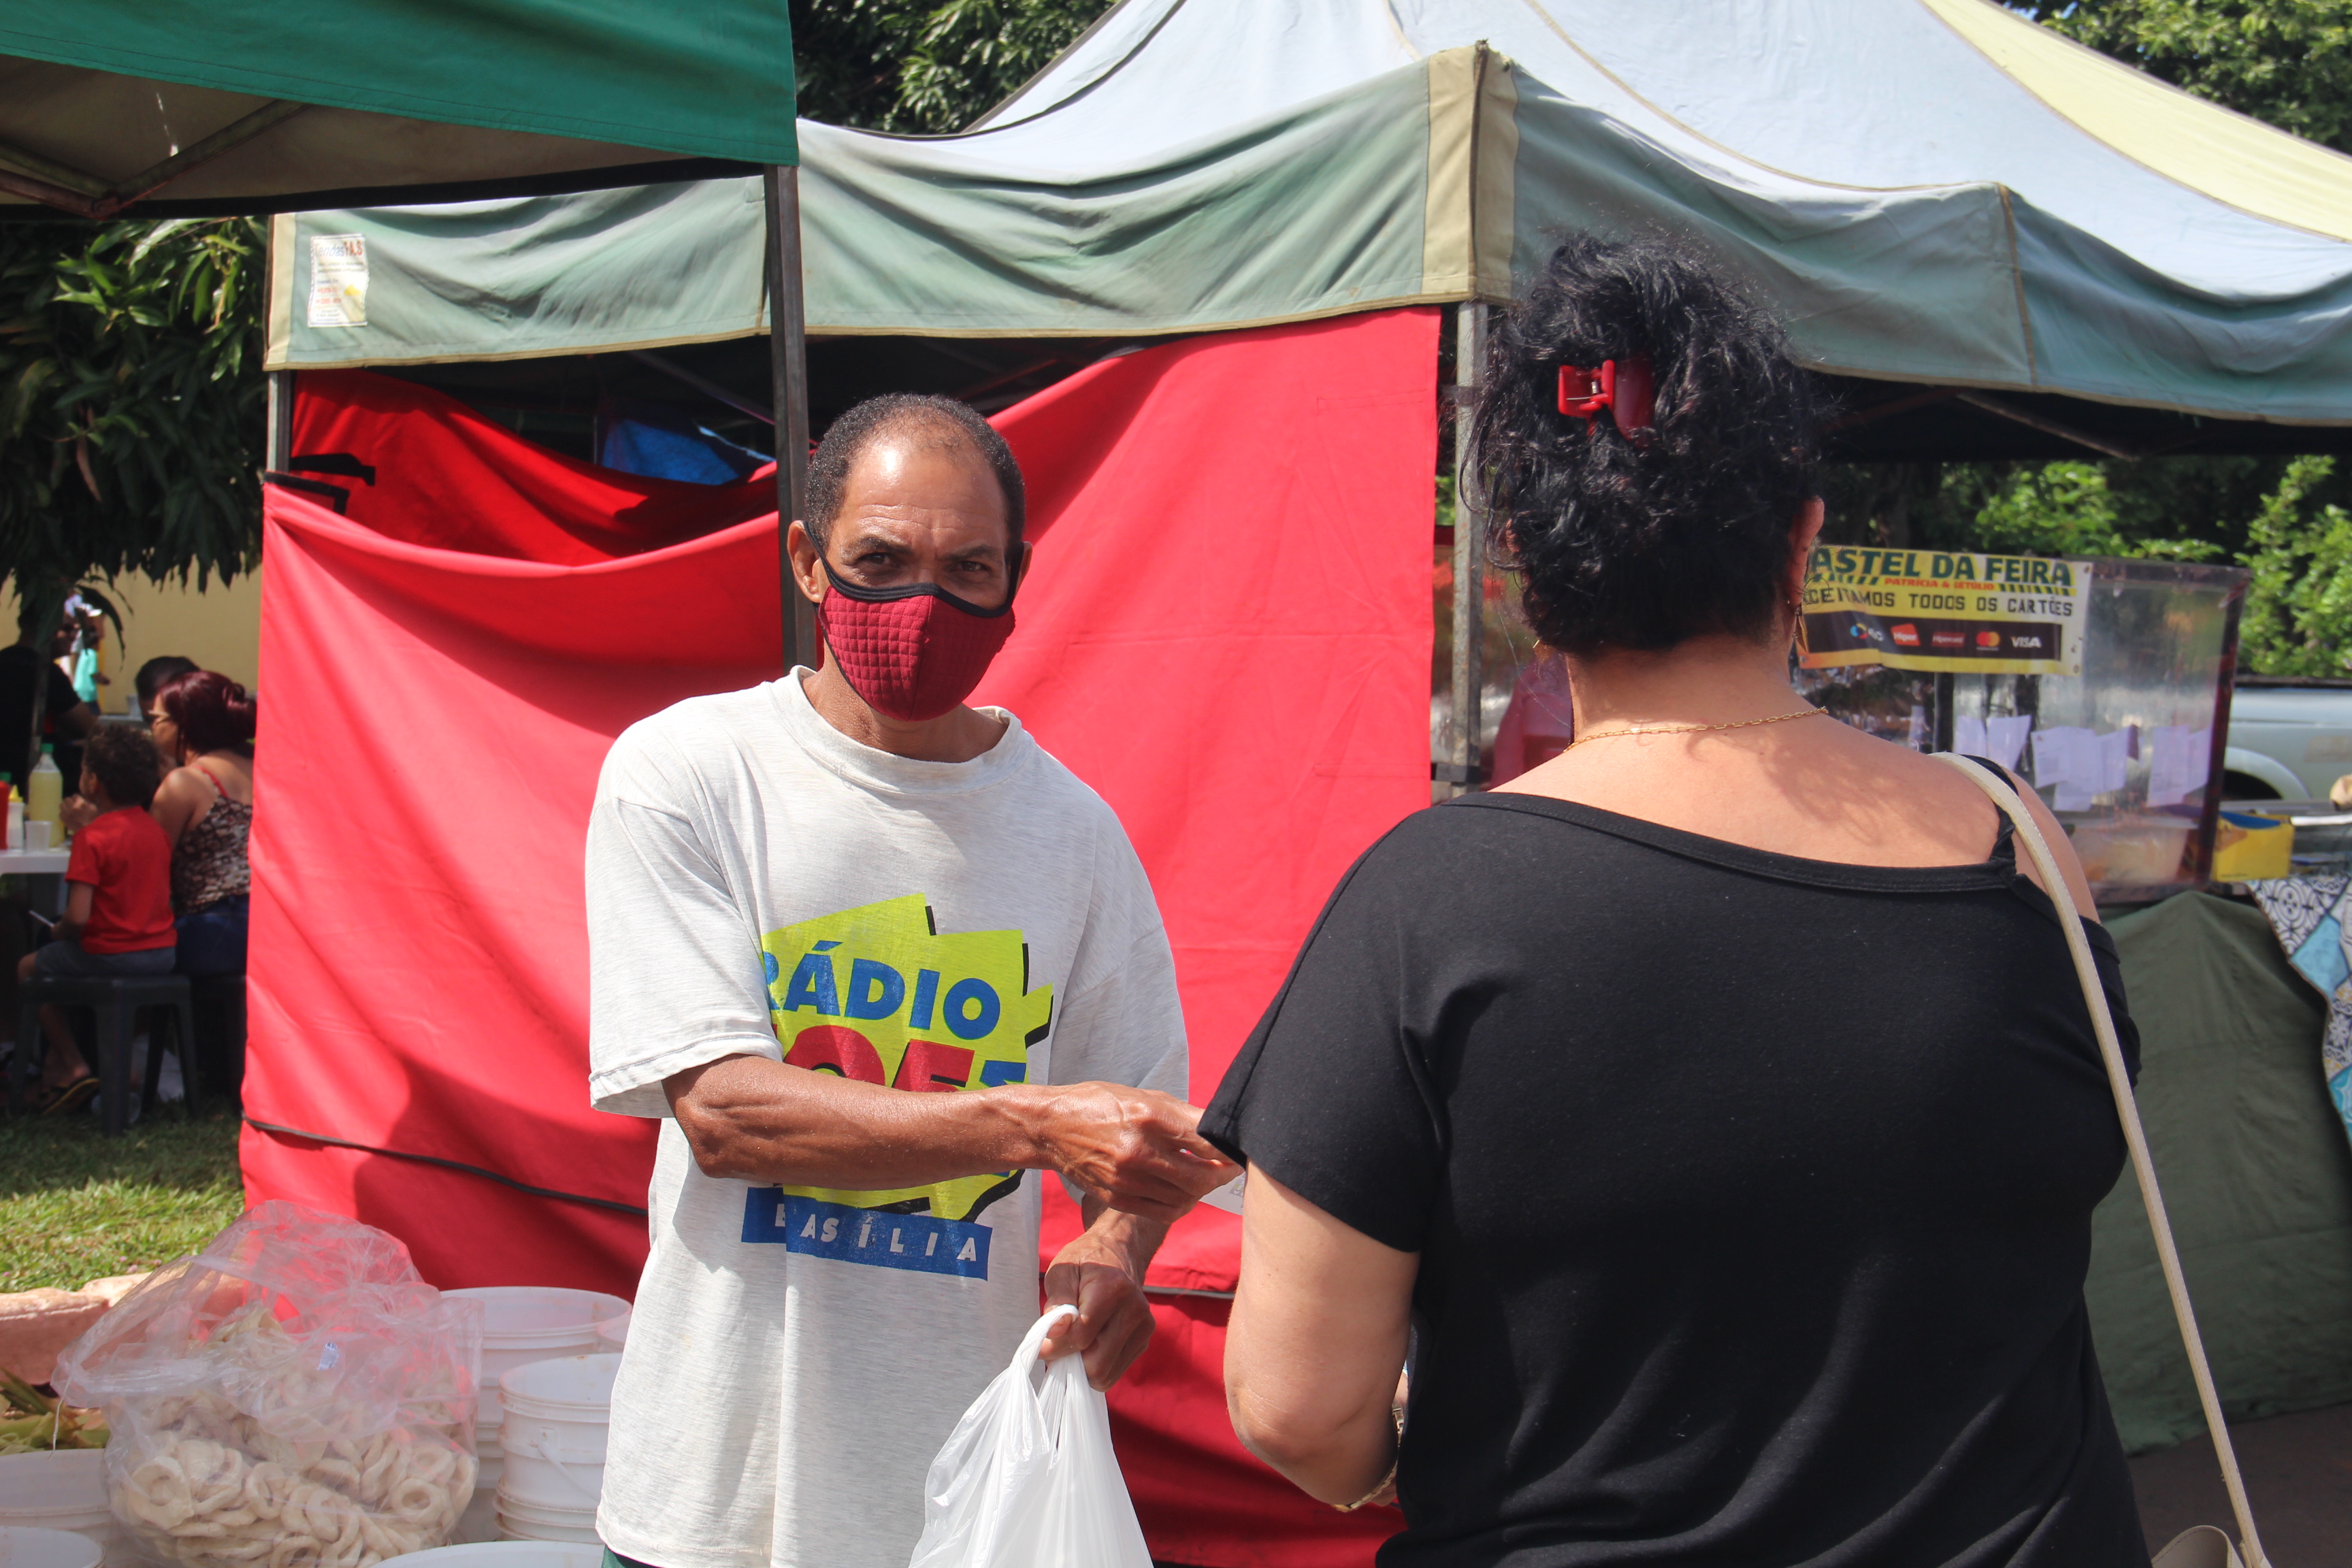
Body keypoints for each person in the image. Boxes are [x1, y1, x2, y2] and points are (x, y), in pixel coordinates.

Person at [1206, 238, 2149, 1567]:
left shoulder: (1429, 905)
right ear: (1803, 541)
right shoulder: (2021, 847)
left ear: (1521, 563)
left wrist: (1423, 1444)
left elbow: (1299, 1406)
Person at [585, 393, 1233, 1568]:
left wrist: (1114, 1248)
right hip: (711, 1494)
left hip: (962, 1493)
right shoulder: (689, 774)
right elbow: (724, 1114)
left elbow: (1144, 1135)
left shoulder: (1075, 835)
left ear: (1014, 579)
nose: (923, 606)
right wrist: (1033, 1121)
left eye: (967, 568)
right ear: (807, 559)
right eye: (880, 560)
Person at [16, 723, 174, 1114]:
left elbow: (78, 917)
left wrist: (58, 930)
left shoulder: (92, 838)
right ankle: (107, 1068)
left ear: (92, 782)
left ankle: (72, 1062)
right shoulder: (155, 831)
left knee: (29, 967)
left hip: (111, 954)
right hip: (161, 954)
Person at [144, 672, 255, 976]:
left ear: (185, 723)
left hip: (214, 930)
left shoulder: (186, 783)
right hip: (273, 927)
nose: (152, 728)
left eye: (156, 719)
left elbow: (146, 867)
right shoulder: (267, 768)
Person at [0, 601, 97, 795]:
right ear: (48, 628)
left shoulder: (5, 660)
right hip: (34, 780)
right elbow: (89, 725)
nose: (74, 635)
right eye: (67, 628)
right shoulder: (46, 673)